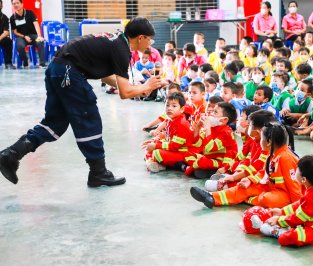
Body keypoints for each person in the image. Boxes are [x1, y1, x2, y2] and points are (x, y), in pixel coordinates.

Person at [0, 17, 163, 187]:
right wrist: (145, 86)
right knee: (89, 118)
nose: (150, 44)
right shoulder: (122, 49)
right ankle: (98, 173)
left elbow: (105, 76)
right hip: (70, 72)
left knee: (54, 124)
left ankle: (11, 154)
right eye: (150, 39)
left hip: (57, 68)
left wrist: (137, 87)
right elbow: (125, 93)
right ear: (140, 37)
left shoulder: (114, 40)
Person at [190, 122, 301, 209]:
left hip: (284, 193)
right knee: (244, 187)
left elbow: (295, 187)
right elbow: (263, 173)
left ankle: (248, 199)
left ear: (269, 142)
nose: (259, 141)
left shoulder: (286, 157)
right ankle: (212, 197)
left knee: (267, 200)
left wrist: (297, 207)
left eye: (261, 138)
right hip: (269, 186)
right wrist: (249, 180)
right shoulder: (273, 154)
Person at [254, 155, 313, 247]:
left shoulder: (312, 197)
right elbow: (301, 204)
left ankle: (277, 231)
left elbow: (298, 218)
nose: (295, 169)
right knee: (294, 224)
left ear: (304, 179)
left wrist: (278, 220)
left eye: (297, 169)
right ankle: (290, 227)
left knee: (285, 239)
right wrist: (282, 211)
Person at [142, 93, 195, 173]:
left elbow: (174, 146)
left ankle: (152, 162)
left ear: (182, 109)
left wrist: (156, 145)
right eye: (167, 105)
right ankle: (153, 163)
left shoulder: (181, 124)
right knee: (148, 148)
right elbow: (168, 139)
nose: (169, 108)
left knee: (156, 152)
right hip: (175, 150)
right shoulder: (170, 120)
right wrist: (155, 141)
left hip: (183, 153)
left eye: (174, 106)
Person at [9, 0, 46, 68]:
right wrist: (24, 36)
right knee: (19, 46)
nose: (16, 5)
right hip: (21, 37)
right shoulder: (12, 18)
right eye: (14, 4)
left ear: (22, 4)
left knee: (40, 41)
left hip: (33, 36)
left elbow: (36, 24)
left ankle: (42, 63)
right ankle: (25, 60)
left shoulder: (30, 13)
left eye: (17, 3)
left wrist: (39, 36)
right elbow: (15, 32)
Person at [0, 0, 16, 69]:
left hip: (1, 38)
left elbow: (6, 32)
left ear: (1, 6)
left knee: (8, 41)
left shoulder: (4, 17)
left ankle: (8, 63)